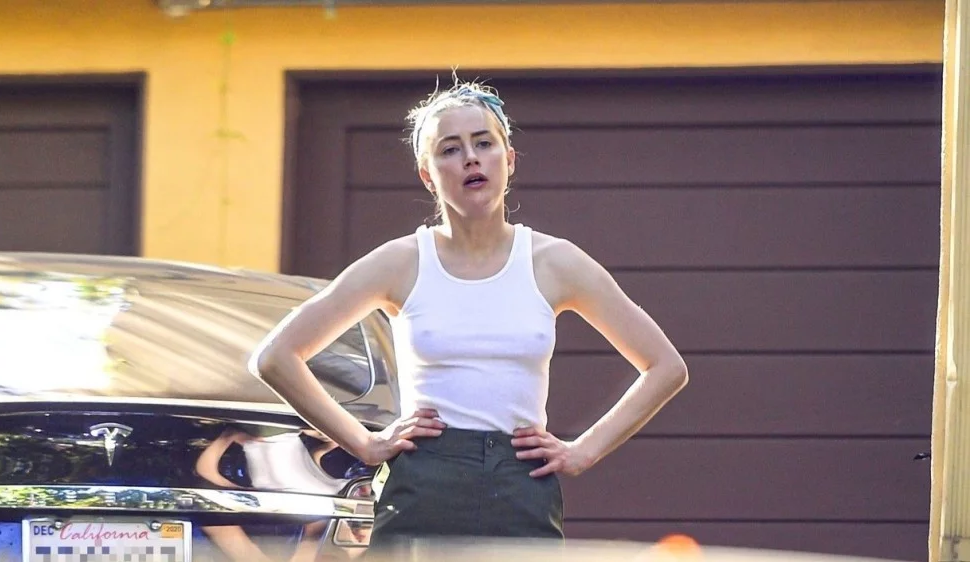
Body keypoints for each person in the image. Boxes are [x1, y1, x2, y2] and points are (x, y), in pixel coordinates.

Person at [248, 77, 689, 557]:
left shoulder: (555, 262)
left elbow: (665, 367)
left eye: (484, 143)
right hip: (424, 485)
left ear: (509, 159)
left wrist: (584, 451)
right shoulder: (400, 262)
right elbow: (276, 357)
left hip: (521, 487)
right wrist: (365, 443)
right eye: (450, 149)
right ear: (427, 174)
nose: (471, 159)